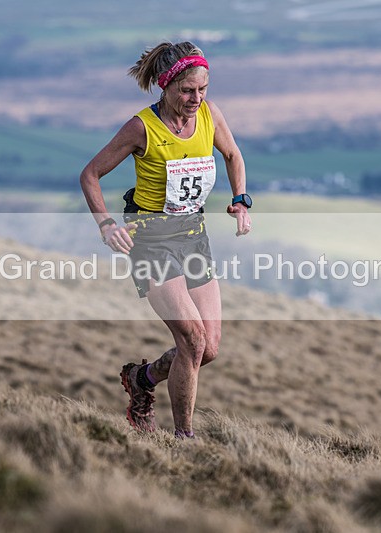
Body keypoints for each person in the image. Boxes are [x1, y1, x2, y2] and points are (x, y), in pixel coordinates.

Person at [80, 41, 252, 439]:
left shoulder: (210, 115)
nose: (196, 99)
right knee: (192, 340)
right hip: (150, 240)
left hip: (192, 236)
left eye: (203, 89)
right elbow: (90, 174)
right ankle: (183, 439)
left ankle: (141, 378)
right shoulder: (141, 127)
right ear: (166, 85)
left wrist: (241, 200)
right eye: (187, 90)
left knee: (208, 349)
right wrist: (106, 225)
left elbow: (232, 155)